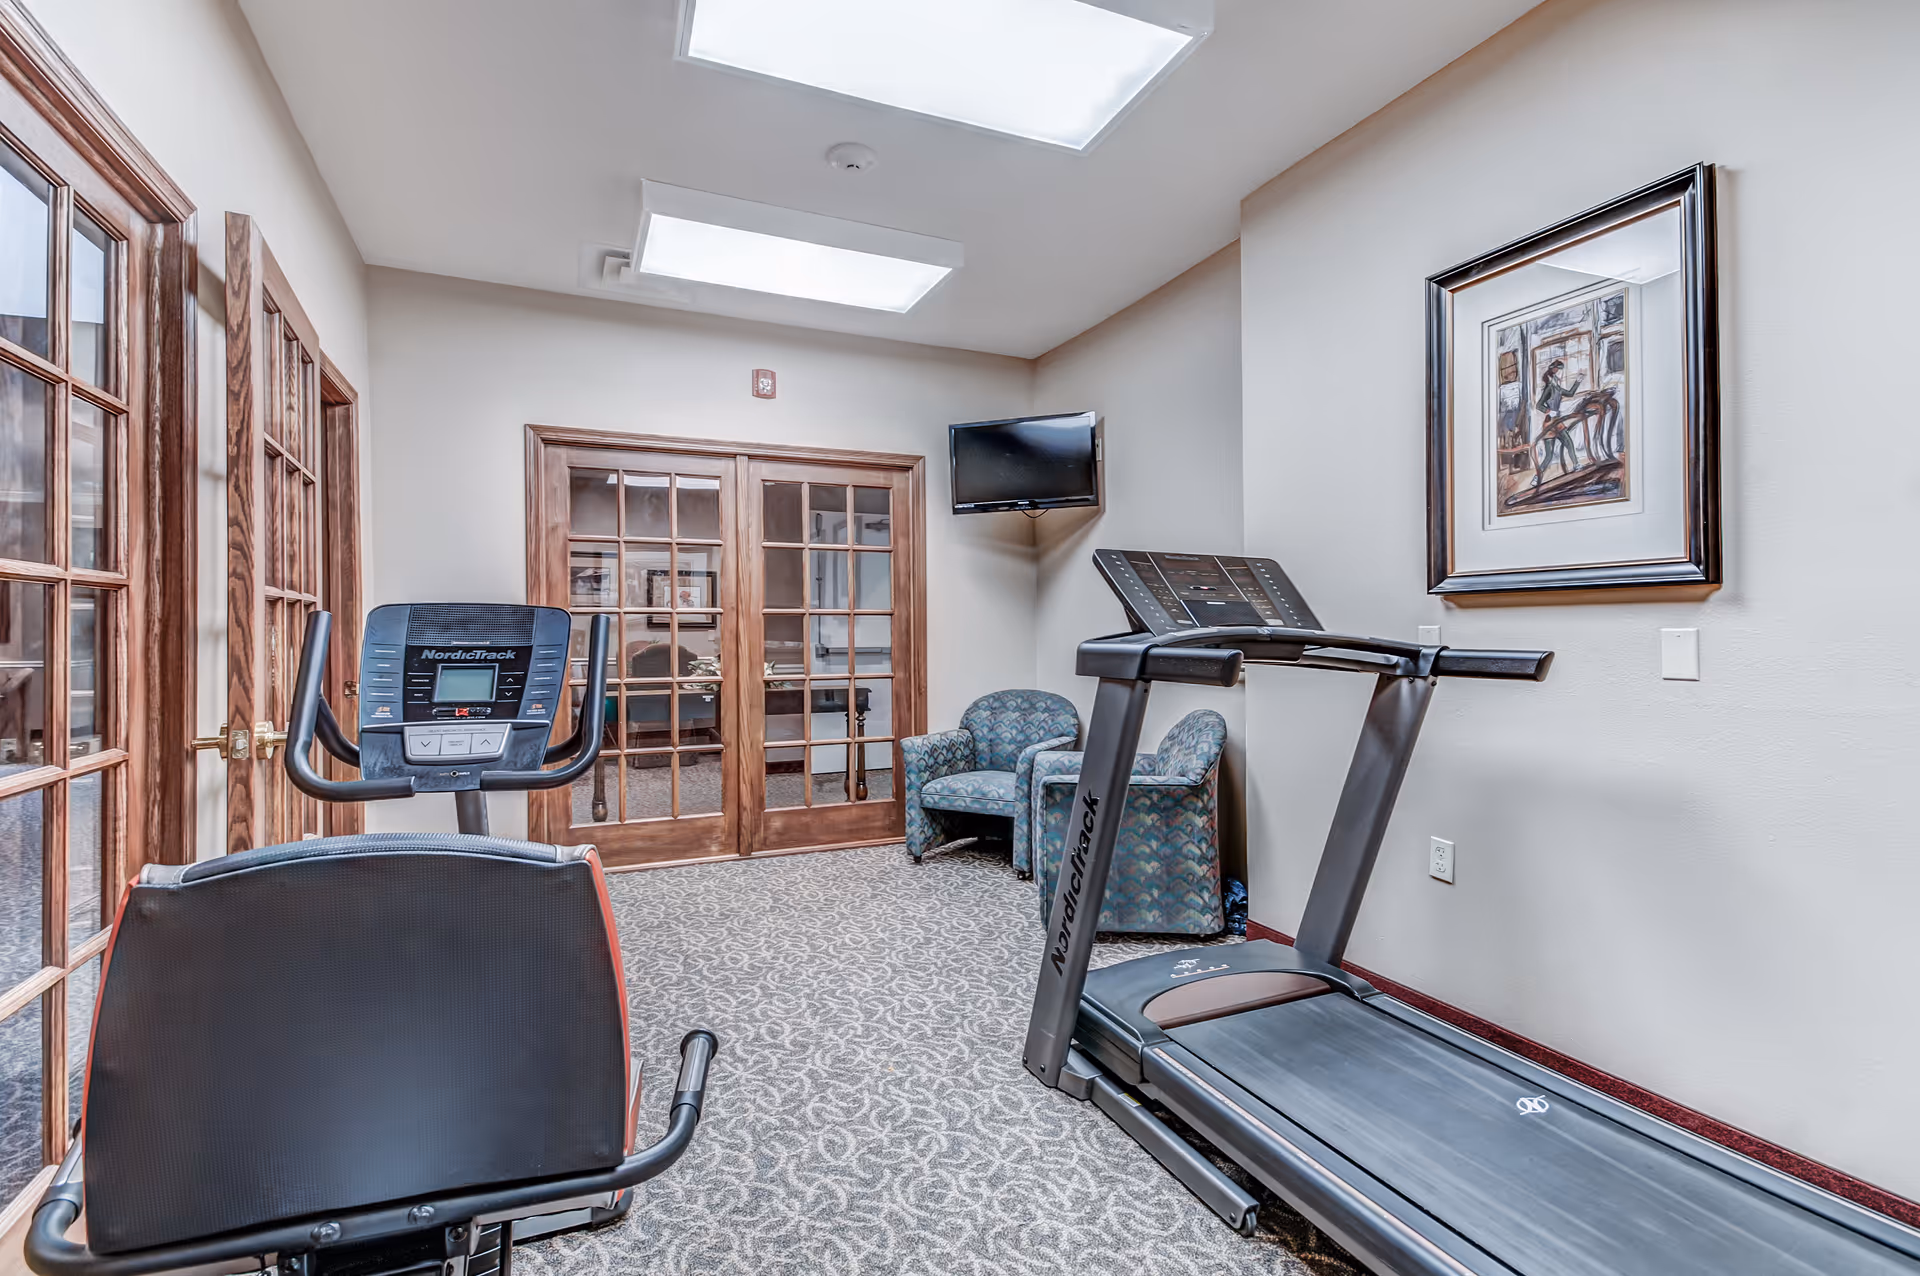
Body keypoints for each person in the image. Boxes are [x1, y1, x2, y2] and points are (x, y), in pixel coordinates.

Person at [1531, 359, 1583, 487]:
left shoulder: (1558, 388)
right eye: (1558, 370)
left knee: (1568, 442)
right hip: (1549, 423)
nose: (1559, 373)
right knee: (1549, 456)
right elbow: (1539, 405)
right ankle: (1537, 477)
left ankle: (1576, 465)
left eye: (1560, 370)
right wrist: (1548, 411)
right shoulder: (1549, 387)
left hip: (1557, 422)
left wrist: (1578, 381)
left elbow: (1570, 393)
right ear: (1553, 373)